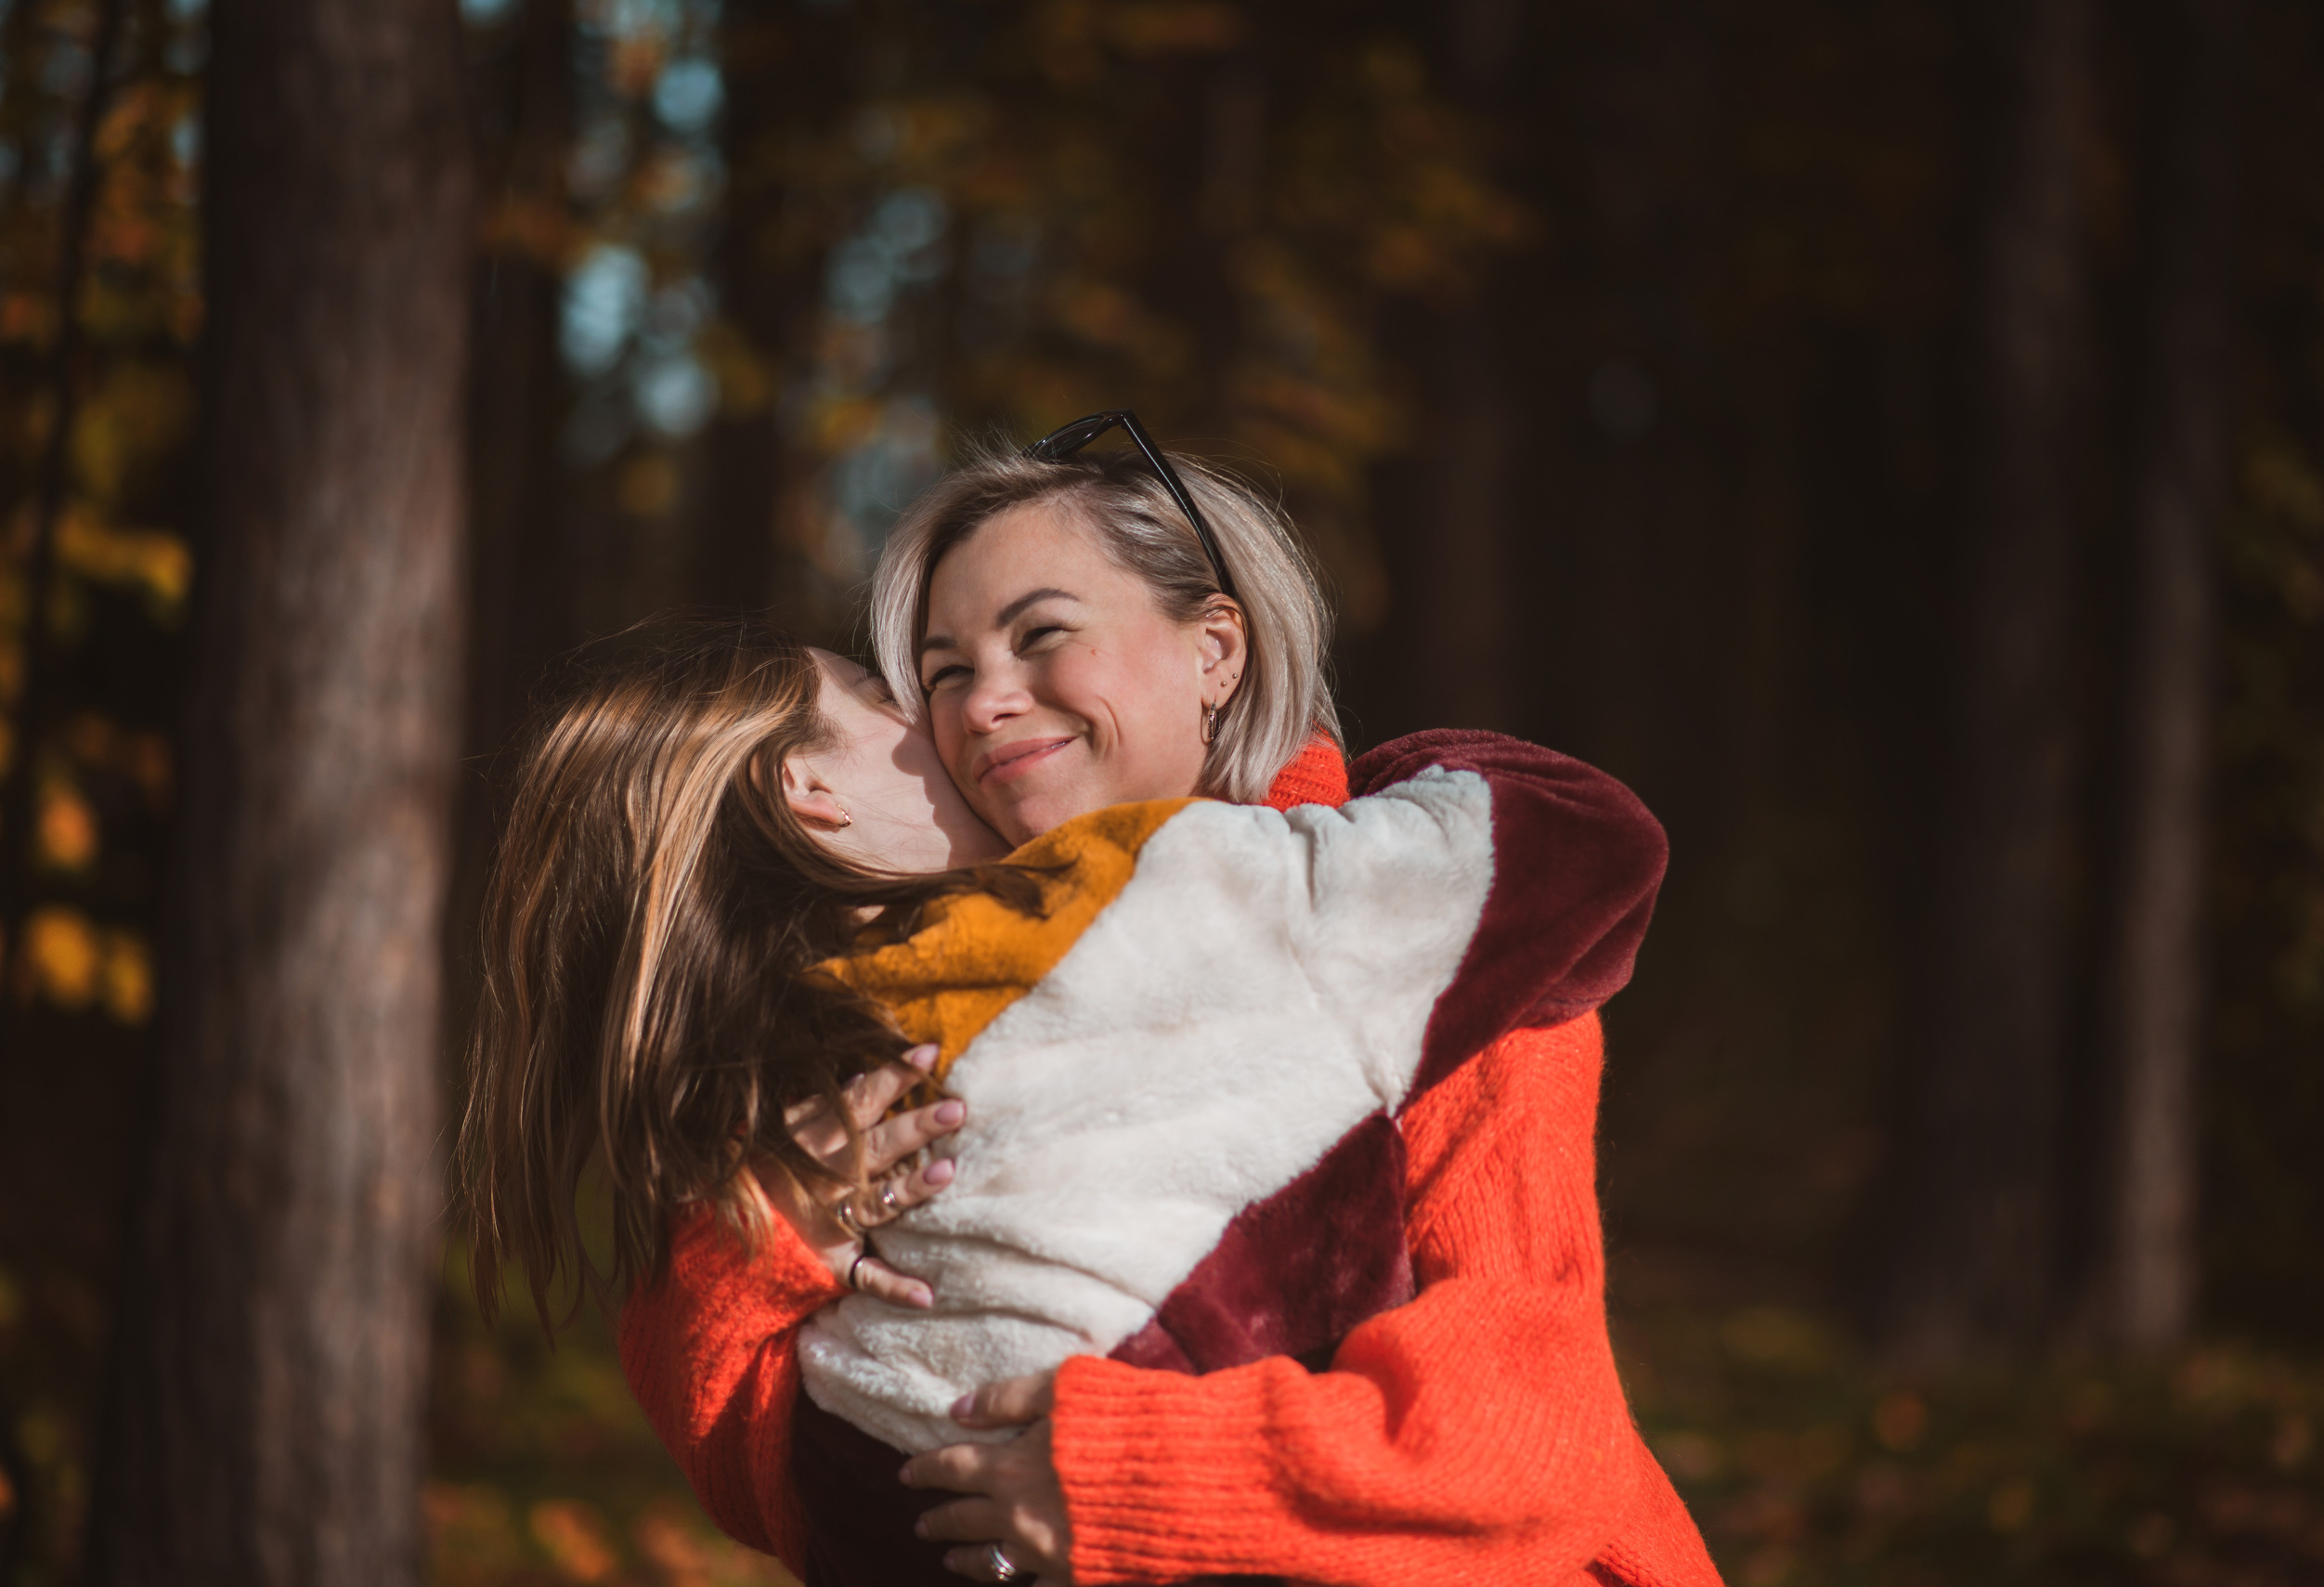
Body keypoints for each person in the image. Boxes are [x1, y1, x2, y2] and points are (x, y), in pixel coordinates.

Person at [464, 423, 1723, 1586]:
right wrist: (768, 1220)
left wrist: (1128, 1476)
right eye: (942, 670)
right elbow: (766, 1469)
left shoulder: (1417, 922)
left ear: (1213, 647)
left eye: (1042, 632)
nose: (980, 701)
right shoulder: (936, 1005)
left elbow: (1529, 1438)